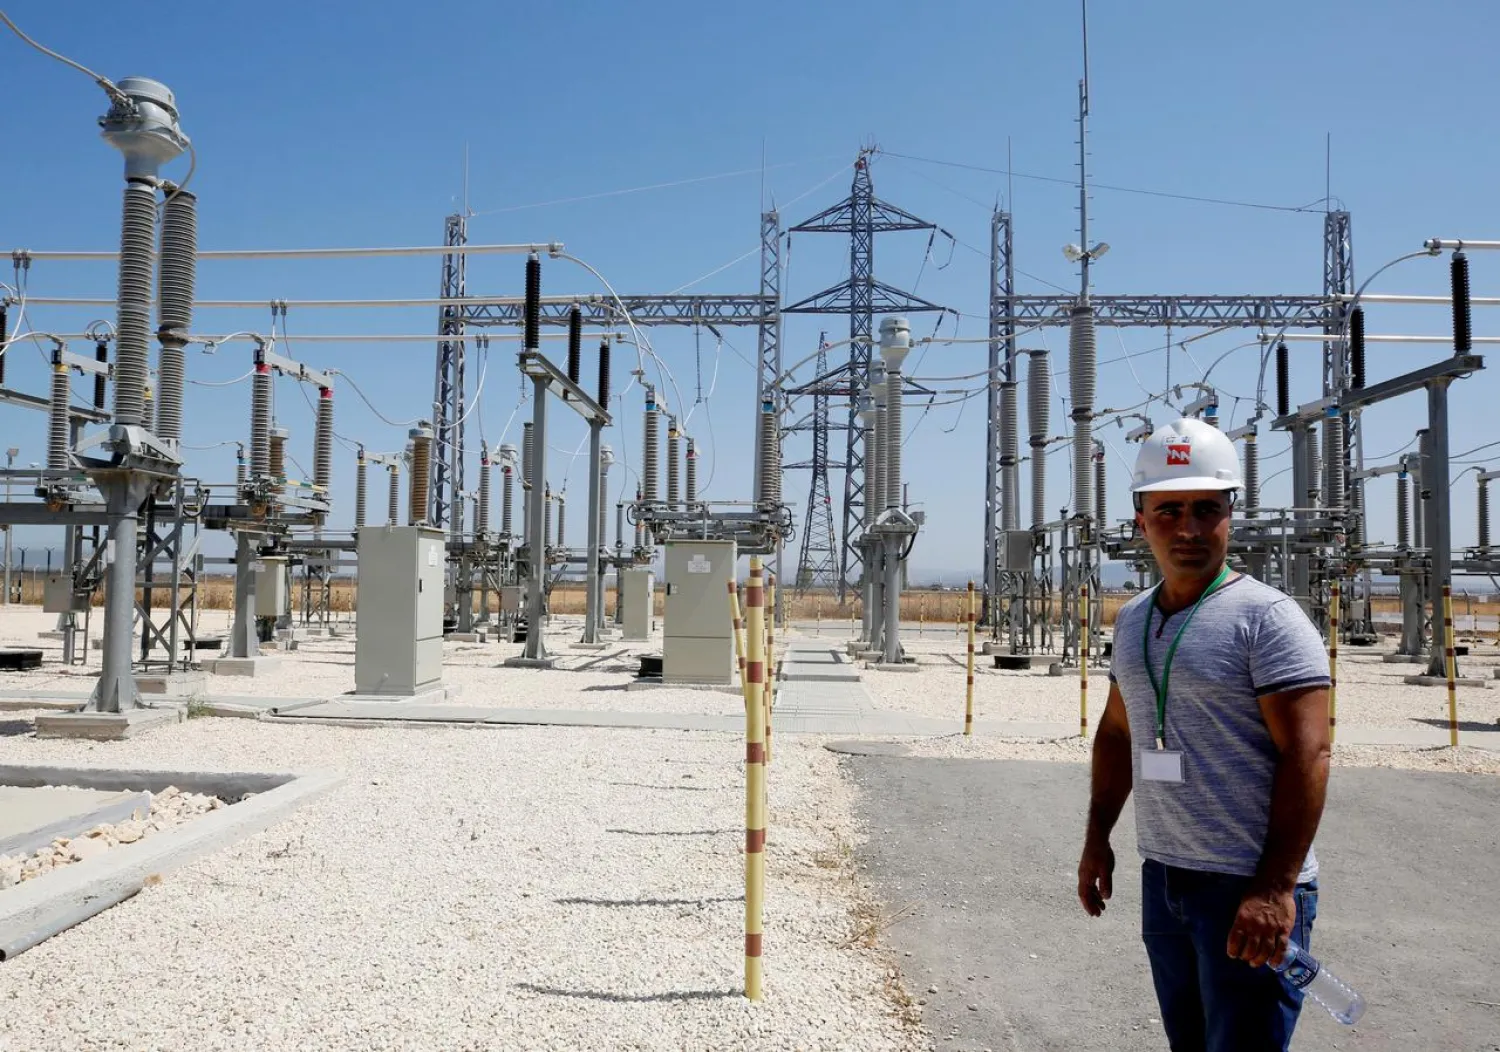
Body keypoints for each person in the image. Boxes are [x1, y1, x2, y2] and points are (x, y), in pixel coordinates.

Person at [1076, 418, 1333, 1052]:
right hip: (1166, 879)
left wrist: (1274, 888)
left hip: (1246, 886)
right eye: (1169, 510)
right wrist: (1096, 840)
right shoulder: (1134, 618)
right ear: (1141, 519)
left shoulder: (1269, 620)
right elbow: (1116, 733)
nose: (1188, 528)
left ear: (1230, 515)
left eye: (1205, 510)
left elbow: (1310, 752)